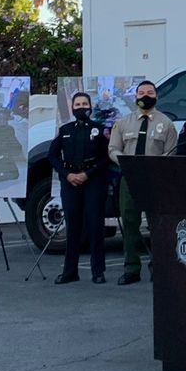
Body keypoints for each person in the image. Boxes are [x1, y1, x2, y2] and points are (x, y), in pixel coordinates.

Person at [108, 80, 177, 285]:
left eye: (149, 92)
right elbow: (113, 149)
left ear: (156, 96)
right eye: (141, 92)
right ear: (135, 97)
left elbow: (172, 152)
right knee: (130, 224)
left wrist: (156, 167)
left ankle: (158, 268)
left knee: (157, 226)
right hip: (130, 179)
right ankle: (131, 268)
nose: (145, 95)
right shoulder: (123, 123)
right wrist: (125, 163)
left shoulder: (166, 124)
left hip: (156, 181)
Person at [48, 92, 111, 284]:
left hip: (92, 180)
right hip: (71, 181)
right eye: (78, 104)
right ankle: (70, 272)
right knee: (73, 226)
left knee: (95, 226)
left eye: (85, 104)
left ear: (90, 107)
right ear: (72, 107)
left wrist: (87, 174)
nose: (81, 107)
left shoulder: (99, 130)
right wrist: (67, 175)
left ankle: (98, 272)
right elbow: (53, 155)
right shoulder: (65, 129)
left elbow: (106, 158)